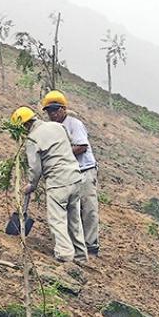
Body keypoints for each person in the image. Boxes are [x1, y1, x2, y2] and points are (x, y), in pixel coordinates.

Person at [10, 106, 88, 263]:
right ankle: (80, 255)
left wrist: (31, 184)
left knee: (57, 219)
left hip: (58, 181)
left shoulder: (32, 139)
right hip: (75, 176)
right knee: (74, 219)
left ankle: (65, 255)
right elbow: (68, 144)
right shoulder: (57, 126)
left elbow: (35, 168)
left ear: (25, 125)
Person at [41, 91, 100, 256]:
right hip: (68, 174)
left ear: (63, 109)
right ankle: (74, 244)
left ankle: (91, 245)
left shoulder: (74, 124)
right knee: (71, 210)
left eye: (55, 110)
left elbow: (82, 146)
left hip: (84, 170)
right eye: (49, 111)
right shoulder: (53, 128)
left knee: (88, 208)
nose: (52, 114)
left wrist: (60, 154)